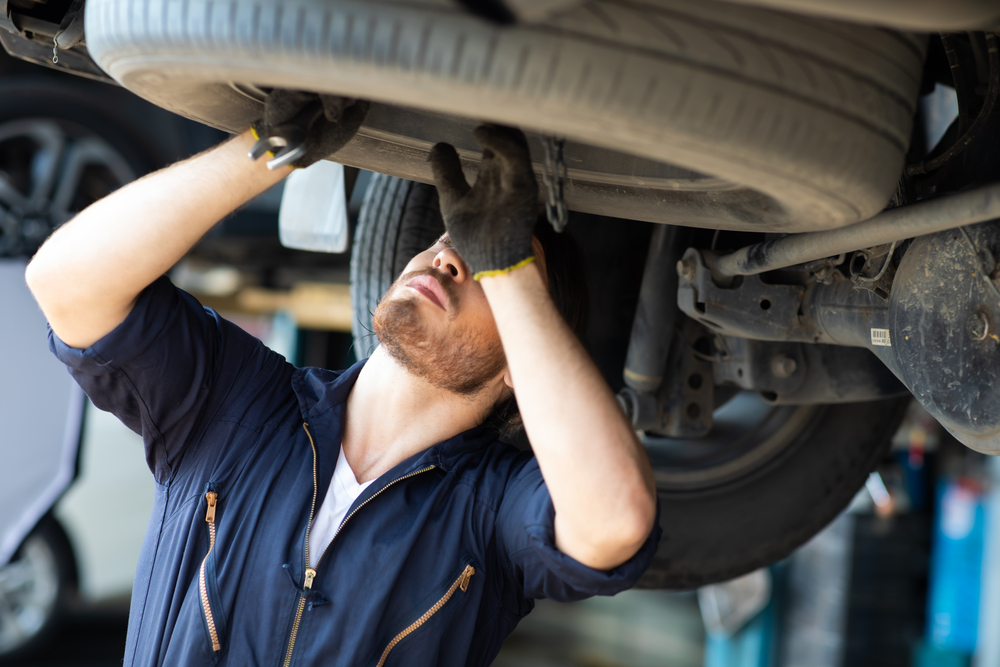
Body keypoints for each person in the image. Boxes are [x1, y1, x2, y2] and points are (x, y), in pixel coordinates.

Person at [25, 92, 659, 667]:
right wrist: (267, 149)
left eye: (488, 263)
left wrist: (513, 266)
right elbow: (66, 285)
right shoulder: (238, 406)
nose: (449, 256)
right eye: (451, 238)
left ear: (525, 361)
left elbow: (616, 518)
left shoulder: (488, 514)